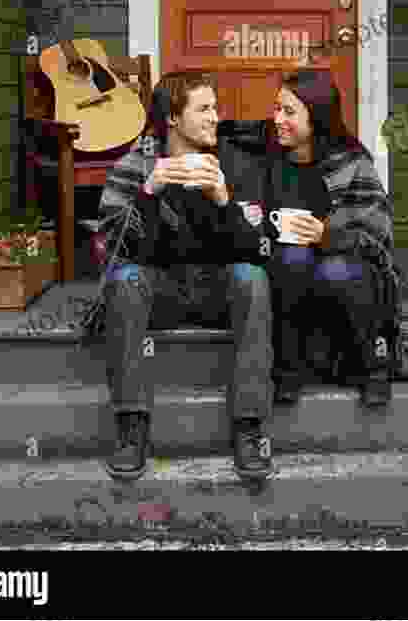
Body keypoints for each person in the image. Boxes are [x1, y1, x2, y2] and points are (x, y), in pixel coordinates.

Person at [82, 71, 275, 484]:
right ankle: (131, 425)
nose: (214, 118)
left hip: (215, 290)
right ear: (172, 117)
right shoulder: (136, 165)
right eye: (204, 109)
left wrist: (224, 202)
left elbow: (257, 250)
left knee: (252, 278)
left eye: (215, 108)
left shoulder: (236, 164)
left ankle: (248, 425)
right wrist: (150, 193)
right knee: (126, 279)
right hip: (160, 290)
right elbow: (116, 248)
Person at [218, 69, 408, 403]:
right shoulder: (267, 149)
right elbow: (217, 131)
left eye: (289, 111)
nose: (277, 119)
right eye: (276, 109)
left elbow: (377, 240)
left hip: (348, 275)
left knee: (335, 268)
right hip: (289, 274)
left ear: (318, 117)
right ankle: (288, 371)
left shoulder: (351, 163)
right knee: (292, 256)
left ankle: (373, 369)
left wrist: (325, 236)